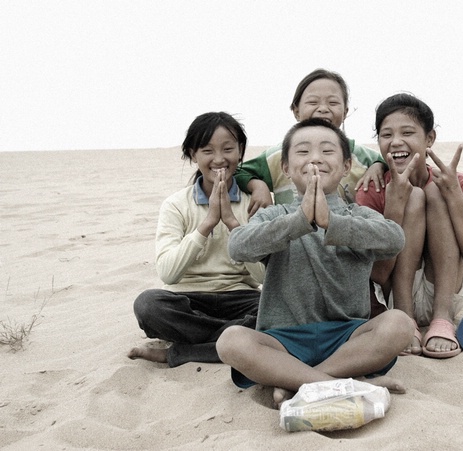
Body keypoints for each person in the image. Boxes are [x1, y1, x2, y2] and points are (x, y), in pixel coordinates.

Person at [216, 118, 414, 408]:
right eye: (303, 151)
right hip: (283, 342)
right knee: (230, 341)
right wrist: (299, 221)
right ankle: (343, 383)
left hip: (347, 339)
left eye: (327, 151)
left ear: (346, 166)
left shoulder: (356, 215)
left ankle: (297, 381)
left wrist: (331, 222)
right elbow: (238, 246)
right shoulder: (275, 215)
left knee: (399, 324)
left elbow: (394, 239)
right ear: (286, 168)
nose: (315, 158)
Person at [128, 112, 264, 367]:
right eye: (207, 151)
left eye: (228, 149)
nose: (219, 159)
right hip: (187, 299)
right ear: (193, 155)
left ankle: (182, 352)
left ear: (240, 151)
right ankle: (231, 339)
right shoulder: (176, 205)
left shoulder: (255, 203)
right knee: (148, 306)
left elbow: (264, 277)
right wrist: (207, 223)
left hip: (240, 297)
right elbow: (168, 273)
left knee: (277, 311)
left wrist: (233, 225)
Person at [356, 93, 463, 358]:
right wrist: (395, 206)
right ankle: (406, 319)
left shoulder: (458, 182)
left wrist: (454, 194)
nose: (396, 141)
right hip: (392, 299)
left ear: (429, 139)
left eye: (407, 132)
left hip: (445, 292)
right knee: (413, 197)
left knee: (435, 192)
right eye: (386, 134)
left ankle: (442, 318)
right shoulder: (372, 189)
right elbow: (378, 274)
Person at [234, 68, 387, 215]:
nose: (323, 108)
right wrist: (258, 186)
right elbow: (237, 171)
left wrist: (378, 165)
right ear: (296, 111)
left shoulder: (363, 156)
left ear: (345, 111)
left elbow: (390, 164)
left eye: (333, 103)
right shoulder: (277, 156)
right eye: (313, 102)